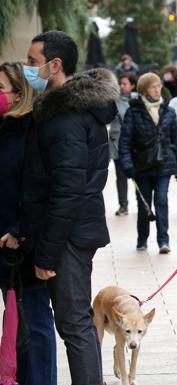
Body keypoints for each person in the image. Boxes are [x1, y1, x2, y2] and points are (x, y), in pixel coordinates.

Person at [21, 31, 119, 385]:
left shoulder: (66, 120)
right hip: (69, 230)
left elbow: (68, 189)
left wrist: (47, 254)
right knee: (74, 320)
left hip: (68, 235)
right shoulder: (65, 112)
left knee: (74, 322)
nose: (28, 68)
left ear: (55, 65)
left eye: (33, 62)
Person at [0, 61, 57, 385]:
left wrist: (20, 231)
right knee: (17, 323)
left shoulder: (33, 130)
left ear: (19, 94)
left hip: (25, 243)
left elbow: (37, 187)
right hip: (6, 244)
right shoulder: (6, 128)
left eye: (1, 89)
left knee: (35, 322)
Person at [119, 72, 177, 254]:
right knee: (144, 203)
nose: (158, 90)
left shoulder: (169, 112)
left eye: (158, 86)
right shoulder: (133, 112)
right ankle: (142, 239)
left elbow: (175, 141)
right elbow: (125, 142)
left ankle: (164, 240)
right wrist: (127, 165)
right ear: (144, 90)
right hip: (141, 166)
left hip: (164, 164)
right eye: (153, 87)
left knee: (162, 200)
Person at [109, 72, 138, 216]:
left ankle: (142, 203)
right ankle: (123, 205)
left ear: (132, 86)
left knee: (138, 176)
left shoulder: (139, 100)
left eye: (125, 83)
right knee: (121, 176)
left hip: (136, 145)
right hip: (118, 144)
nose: (121, 86)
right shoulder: (113, 101)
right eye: (120, 83)